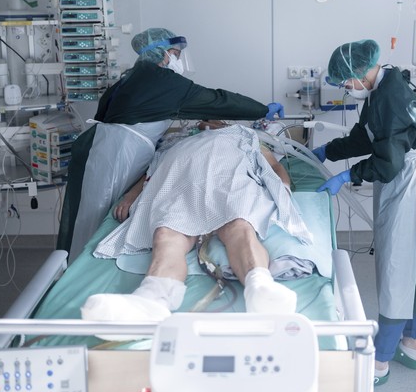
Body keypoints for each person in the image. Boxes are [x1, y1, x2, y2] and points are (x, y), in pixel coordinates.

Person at [57, 28, 285, 258]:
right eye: (176, 53)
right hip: (120, 153)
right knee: (99, 215)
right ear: (162, 54)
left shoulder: (132, 77)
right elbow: (217, 100)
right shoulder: (163, 81)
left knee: (89, 214)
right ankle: (82, 261)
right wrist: (262, 110)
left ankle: (74, 259)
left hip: (104, 147)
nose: (178, 60)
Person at [312, 39, 416, 386]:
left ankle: (380, 360)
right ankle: (412, 343)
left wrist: (349, 175)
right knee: (415, 265)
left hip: (414, 183)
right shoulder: (384, 85)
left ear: (360, 73)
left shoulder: (390, 97)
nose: (347, 88)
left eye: (346, 82)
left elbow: (387, 164)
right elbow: (367, 136)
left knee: (398, 268)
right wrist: (329, 150)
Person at [82, 124, 311, 325]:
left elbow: (273, 166)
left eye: (214, 118)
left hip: (229, 180)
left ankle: (259, 287)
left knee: (239, 225)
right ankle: (152, 299)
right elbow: (152, 173)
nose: (206, 122)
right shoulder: (176, 141)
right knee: (165, 234)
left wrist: (284, 189)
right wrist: (132, 195)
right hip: (180, 184)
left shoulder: (245, 134)